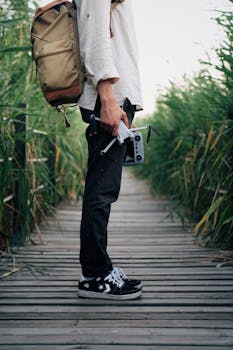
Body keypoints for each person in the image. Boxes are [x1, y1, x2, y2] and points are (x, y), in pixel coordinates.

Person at [75, 0, 143, 300]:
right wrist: (107, 98)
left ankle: (99, 268)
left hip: (115, 98)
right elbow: (94, 30)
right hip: (109, 100)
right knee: (101, 191)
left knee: (105, 189)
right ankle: (94, 274)